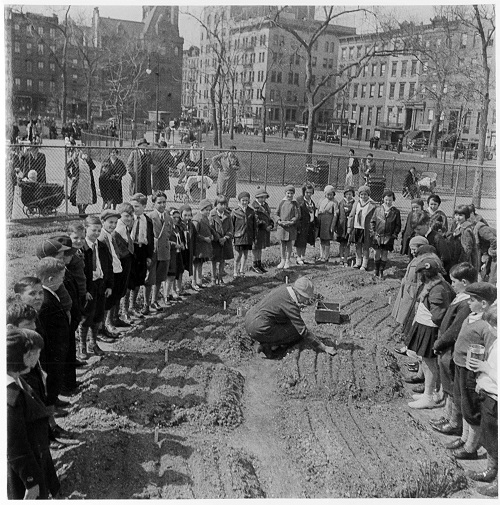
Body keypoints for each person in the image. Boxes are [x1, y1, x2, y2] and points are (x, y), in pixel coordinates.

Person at [7, 327, 60, 499]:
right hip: (24, 472)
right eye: (37, 353)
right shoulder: (11, 398)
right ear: (26, 356)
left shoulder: (18, 380)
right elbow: (15, 447)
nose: (38, 357)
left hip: (36, 457)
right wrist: (31, 481)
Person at [448, 282, 496, 460]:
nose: (468, 302)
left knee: (471, 408)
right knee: (463, 403)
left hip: (472, 371)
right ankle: (464, 438)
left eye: (473, 299)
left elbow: (490, 351)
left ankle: (471, 447)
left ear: (484, 304)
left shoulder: (486, 325)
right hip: (461, 365)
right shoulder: (472, 316)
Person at [430, 263, 477, 436]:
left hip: (451, 350)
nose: (452, 284)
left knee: (452, 387)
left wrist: (439, 343)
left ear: (464, 282)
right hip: (446, 350)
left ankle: (454, 422)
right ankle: (447, 416)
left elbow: (454, 329)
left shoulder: (466, 303)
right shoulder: (461, 297)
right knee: (447, 385)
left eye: (454, 281)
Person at [245, 276, 337, 359]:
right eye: (306, 297)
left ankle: (264, 340)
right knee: (296, 334)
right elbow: (303, 331)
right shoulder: (291, 305)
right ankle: (267, 345)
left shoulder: (285, 289)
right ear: (300, 294)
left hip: (250, 317)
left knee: (287, 324)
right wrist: (324, 347)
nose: (307, 300)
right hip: (258, 327)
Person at [405, 258, 453, 409]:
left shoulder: (437, 289)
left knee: (428, 363)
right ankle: (429, 391)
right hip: (425, 327)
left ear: (424, 274)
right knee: (425, 362)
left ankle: (429, 396)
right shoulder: (435, 285)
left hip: (430, 329)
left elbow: (438, 316)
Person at [467, 302, 497, 496]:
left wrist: (487, 370)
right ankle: (491, 470)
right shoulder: (496, 342)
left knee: (497, 440)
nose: (491, 330)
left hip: (496, 399)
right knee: (490, 438)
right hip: (489, 395)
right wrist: (482, 380)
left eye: (494, 326)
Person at [35, 258, 71, 411]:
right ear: (50, 279)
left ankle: (54, 400)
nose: (62, 281)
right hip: (52, 351)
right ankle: (51, 412)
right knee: (51, 381)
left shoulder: (49, 293)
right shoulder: (45, 300)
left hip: (57, 348)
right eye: (61, 278)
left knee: (55, 380)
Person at [79, 216, 113, 357]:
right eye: (93, 230)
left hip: (101, 284)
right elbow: (80, 272)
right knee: (86, 316)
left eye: (99, 230)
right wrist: (85, 290)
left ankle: (93, 343)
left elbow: (109, 267)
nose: (97, 233)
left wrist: (109, 285)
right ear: (85, 229)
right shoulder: (82, 248)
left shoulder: (102, 246)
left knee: (98, 314)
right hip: (89, 287)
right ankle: (82, 346)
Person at [98, 209, 125, 338]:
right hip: (108, 274)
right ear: (103, 222)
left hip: (115, 270)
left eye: (115, 222)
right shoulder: (102, 237)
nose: (113, 225)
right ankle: (101, 329)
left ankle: (105, 326)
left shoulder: (110, 234)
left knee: (110, 301)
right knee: (105, 304)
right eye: (110, 222)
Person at [391, 236, 429, 326]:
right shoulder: (415, 259)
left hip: (413, 292)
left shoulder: (423, 262)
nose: (412, 252)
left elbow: (421, 282)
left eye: (414, 249)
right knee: (402, 314)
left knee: (408, 316)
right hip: (407, 290)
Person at [126, 193, 154, 317]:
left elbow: (150, 239)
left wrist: (149, 256)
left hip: (141, 250)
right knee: (129, 280)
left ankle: (132, 306)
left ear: (144, 206)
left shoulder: (147, 220)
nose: (134, 209)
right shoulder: (128, 220)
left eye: (137, 206)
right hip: (131, 251)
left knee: (138, 279)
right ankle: (124, 309)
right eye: (132, 206)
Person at [144, 191, 172, 312]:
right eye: (159, 202)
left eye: (164, 202)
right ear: (154, 203)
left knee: (160, 278)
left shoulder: (168, 217)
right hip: (153, 251)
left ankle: (154, 301)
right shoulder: (149, 217)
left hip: (164, 251)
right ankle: (146, 304)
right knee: (150, 278)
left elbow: (169, 233)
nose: (162, 205)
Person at [114, 203, 135, 326]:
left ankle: (117, 316)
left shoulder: (126, 228)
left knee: (122, 289)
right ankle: (113, 319)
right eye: (126, 215)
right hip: (121, 262)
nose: (129, 218)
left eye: (131, 216)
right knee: (118, 291)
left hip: (126, 261)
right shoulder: (118, 229)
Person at [348, 185, 376, 271]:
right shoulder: (356, 203)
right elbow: (352, 215)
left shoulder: (372, 204)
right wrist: (349, 227)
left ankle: (364, 264)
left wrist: (372, 230)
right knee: (357, 245)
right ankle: (358, 262)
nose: (363, 196)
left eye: (365, 195)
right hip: (357, 227)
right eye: (361, 195)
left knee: (366, 246)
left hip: (366, 229)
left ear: (368, 195)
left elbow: (374, 218)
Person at [66, 147, 97, 218]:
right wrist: (71, 176)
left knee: (88, 197)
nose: (83, 152)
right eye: (81, 151)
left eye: (85, 151)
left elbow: (93, 167)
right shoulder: (75, 160)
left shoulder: (88, 159)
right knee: (79, 197)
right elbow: (66, 168)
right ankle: (80, 211)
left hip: (88, 181)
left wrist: (88, 160)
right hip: (79, 182)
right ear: (78, 152)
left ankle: (83, 210)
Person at [210, 195, 234, 284]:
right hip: (215, 242)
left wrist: (225, 238)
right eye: (221, 204)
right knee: (213, 260)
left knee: (222, 259)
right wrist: (217, 238)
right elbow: (211, 228)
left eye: (225, 204)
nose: (223, 206)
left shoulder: (228, 215)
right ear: (216, 204)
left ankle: (220, 277)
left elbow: (231, 229)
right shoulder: (212, 215)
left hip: (224, 241)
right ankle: (213, 278)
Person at [232, 191, 257, 277]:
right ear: (239, 200)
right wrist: (233, 236)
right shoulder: (235, 211)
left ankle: (242, 270)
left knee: (245, 254)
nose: (245, 202)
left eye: (246, 200)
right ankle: (235, 271)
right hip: (238, 236)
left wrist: (254, 237)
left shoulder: (251, 211)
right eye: (243, 200)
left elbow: (254, 225)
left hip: (248, 236)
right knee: (238, 255)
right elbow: (232, 225)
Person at [276, 185, 300, 269]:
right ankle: (282, 260)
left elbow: (297, 215)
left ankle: (287, 260)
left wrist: (292, 221)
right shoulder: (281, 202)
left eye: (291, 193)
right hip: (282, 227)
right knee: (282, 244)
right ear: (285, 193)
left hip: (290, 227)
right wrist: (279, 220)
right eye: (288, 193)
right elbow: (276, 213)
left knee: (289, 244)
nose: (289, 195)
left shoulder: (295, 203)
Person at [192, 199, 214, 288]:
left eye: (209, 210)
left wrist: (211, 236)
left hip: (203, 247)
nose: (208, 212)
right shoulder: (197, 219)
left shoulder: (206, 218)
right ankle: (193, 282)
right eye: (206, 210)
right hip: (198, 246)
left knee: (200, 264)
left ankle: (199, 281)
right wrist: (204, 238)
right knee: (195, 265)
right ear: (202, 209)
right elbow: (195, 234)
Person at [165, 208, 186, 301]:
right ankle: (169, 292)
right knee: (171, 273)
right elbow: (166, 241)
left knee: (179, 270)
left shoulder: (178, 228)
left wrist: (182, 244)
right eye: (174, 217)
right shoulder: (168, 227)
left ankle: (177, 289)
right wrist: (175, 245)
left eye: (178, 217)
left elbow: (181, 238)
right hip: (171, 253)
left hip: (178, 253)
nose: (176, 219)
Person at [251, 189, 274, 273]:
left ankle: (259, 263)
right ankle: (254, 265)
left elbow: (269, 217)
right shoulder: (254, 206)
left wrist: (271, 224)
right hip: (258, 230)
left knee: (260, 247)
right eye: (262, 197)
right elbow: (256, 220)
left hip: (264, 230)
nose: (264, 199)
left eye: (265, 197)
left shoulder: (265, 206)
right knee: (255, 247)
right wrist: (265, 226)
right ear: (257, 197)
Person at [294, 183, 317, 266]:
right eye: (307, 192)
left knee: (305, 241)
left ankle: (303, 257)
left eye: (310, 192)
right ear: (304, 192)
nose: (309, 194)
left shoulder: (311, 202)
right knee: (300, 241)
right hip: (301, 224)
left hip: (309, 224)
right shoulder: (299, 201)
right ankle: (298, 257)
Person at [316, 185, 337, 264]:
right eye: (327, 194)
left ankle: (326, 256)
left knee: (327, 239)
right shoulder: (322, 200)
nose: (329, 196)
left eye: (331, 194)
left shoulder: (334, 202)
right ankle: (321, 255)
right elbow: (318, 209)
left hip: (328, 222)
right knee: (322, 239)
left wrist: (333, 225)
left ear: (333, 194)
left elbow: (335, 214)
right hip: (321, 221)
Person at [471, 218, 497, 283]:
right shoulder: (477, 232)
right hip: (490, 253)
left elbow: (494, 240)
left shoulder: (482, 230)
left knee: (493, 277)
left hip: (495, 253)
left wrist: (491, 251)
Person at [179, 204, 196, 292]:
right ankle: (178, 288)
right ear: (181, 215)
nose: (187, 217)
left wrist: (194, 252)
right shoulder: (179, 225)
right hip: (180, 250)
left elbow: (194, 238)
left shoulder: (191, 225)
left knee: (185, 268)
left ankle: (182, 287)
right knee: (179, 269)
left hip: (188, 250)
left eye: (189, 215)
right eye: (185, 215)